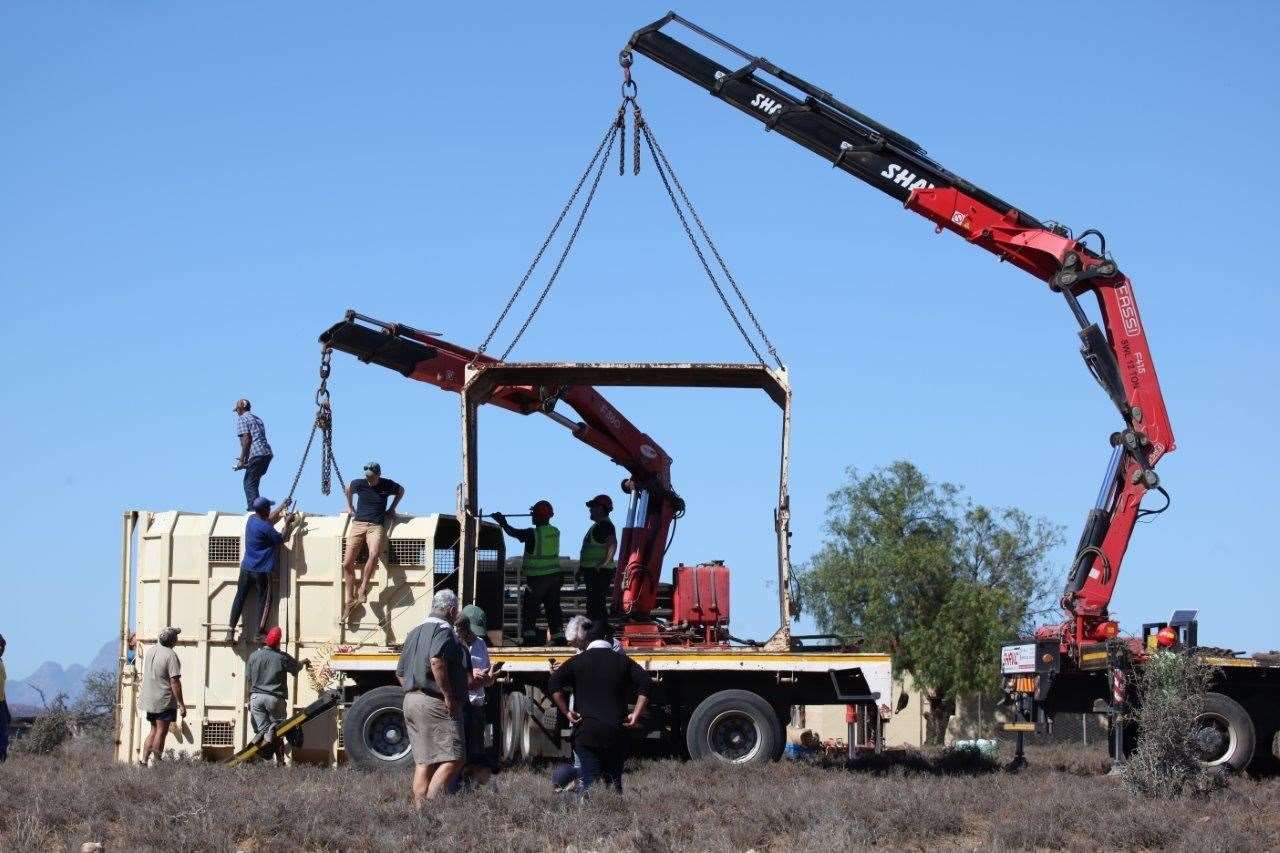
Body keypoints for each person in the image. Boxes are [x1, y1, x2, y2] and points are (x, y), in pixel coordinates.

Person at [548, 618, 651, 794]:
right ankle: (616, 814)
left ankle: (584, 811)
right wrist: (636, 713)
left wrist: (566, 712)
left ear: (589, 640)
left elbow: (554, 683)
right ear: (609, 639)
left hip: (586, 731)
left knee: (589, 782)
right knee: (614, 783)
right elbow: (646, 684)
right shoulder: (623, 661)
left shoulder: (577, 661)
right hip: (615, 731)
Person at [396, 589, 467, 806]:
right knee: (455, 757)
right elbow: (436, 661)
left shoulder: (414, 631)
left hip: (411, 700)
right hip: (433, 701)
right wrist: (448, 696)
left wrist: (413, 689)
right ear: (453, 610)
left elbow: (399, 673)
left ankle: (419, 812)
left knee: (423, 761)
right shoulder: (444, 630)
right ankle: (431, 807)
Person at [493, 500, 562, 644]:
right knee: (553, 609)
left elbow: (515, 533)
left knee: (530, 610)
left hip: (537, 579)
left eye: (534, 514)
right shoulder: (555, 532)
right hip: (555, 578)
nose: (532, 516)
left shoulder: (533, 533)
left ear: (539, 515)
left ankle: (529, 638)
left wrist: (502, 522)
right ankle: (558, 637)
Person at [229, 496, 296, 643]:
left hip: (246, 567)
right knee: (264, 601)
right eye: (270, 508)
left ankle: (230, 631)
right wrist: (288, 523)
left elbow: (269, 519)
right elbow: (282, 538)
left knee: (239, 598)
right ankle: (259, 633)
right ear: (266, 510)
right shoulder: (266, 528)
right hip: (262, 571)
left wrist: (282, 506)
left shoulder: (252, 520)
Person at [343, 462, 405, 613]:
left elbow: (401, 490)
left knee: (374, 554)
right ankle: (349, 599)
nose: (369, 479)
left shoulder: (387, 485)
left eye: (371, 477)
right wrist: (350, 506)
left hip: (375, 526)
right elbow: (348, 487)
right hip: (358, 524)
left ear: (378, 475)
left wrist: (392, 508)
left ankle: (363, 587)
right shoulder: (360, 483)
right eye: (367, 477)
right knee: (347, 563)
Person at [246, 626, 309, 765]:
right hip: (274, 699)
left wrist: (248, 700)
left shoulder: (253, 656)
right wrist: (304, 662)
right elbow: (296, 667)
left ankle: (265, 739)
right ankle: (278, 757)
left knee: (264, 730)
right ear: (279, 642)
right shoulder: (281, 657)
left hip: (256, 698)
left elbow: (248, 680)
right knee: (278, 730)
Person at [454, 605, 498, 788]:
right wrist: (471, 674)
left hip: (477, 704)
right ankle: (455, 783)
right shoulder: (453, 644)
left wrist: (488, 678)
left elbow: (488, 680)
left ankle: (471, 785)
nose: (471, 635)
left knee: (476, 750)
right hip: (461, 704)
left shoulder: (480, 644)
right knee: (458, 751)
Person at [140, 627, 187, 766]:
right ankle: (157, 764)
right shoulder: (171, 655)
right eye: (176, 637)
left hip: (150, 698)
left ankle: (143, 761)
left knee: (153, 730)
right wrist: (181, 704)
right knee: (161, 732)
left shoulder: (151, 650)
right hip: (164, 699)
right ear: (173, 640)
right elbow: (175, 682)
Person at [579, 494, 618, 622]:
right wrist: (581, 569)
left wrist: (603, 563)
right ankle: (599, 632)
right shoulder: (599, 525)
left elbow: (612, 544)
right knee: (594, 604)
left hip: (599, 572)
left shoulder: (604, 526)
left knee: (596, 605)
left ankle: (600, 633)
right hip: (594, 572)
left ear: (601, 508)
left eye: (593, 507)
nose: (590, 509)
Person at [232, 399, 274, 510]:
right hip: (266, 454)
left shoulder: (242, 419)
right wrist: (246, 459)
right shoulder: (257, 419)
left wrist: (242, 460)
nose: (237, 412)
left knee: (248, 483)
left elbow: (246, 439)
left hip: (257, 454)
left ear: (241, 408)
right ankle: (262, 504)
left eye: (237, 409)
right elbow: (256, 438)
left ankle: (255, 510)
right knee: (254, 482)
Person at [0, 633, 9, 763]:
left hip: (1, 703)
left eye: (2, 646)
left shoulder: (1, 663)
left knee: (3, 736)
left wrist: (5, 708)